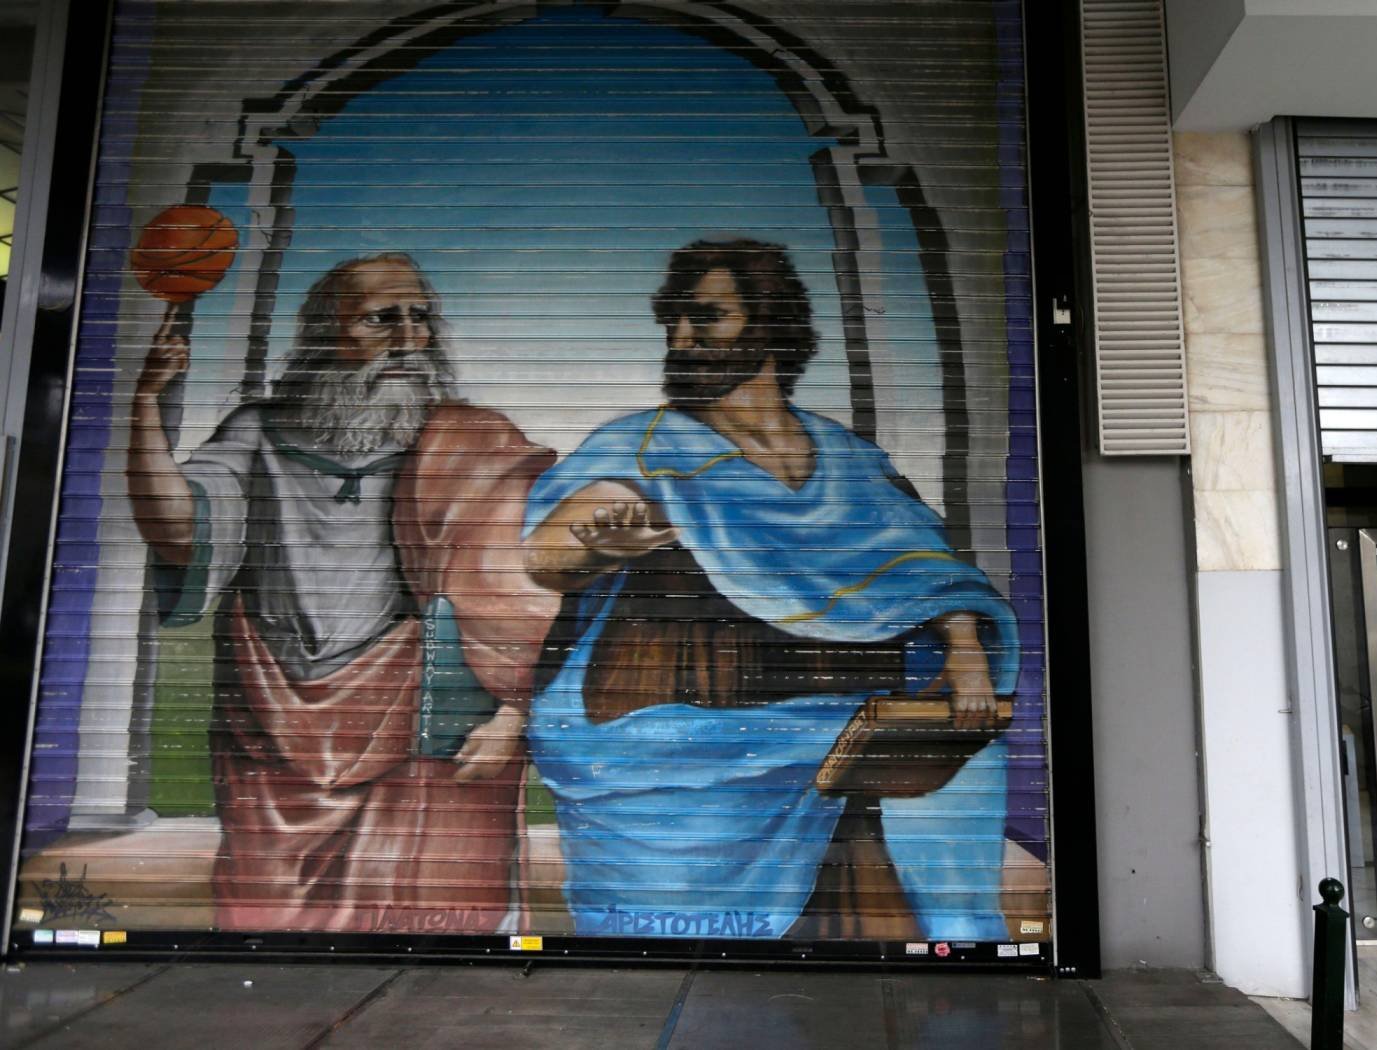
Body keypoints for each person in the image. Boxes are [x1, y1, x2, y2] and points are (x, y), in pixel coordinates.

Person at [521, 238, 1019, 941]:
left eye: (706, 317)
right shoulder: (644, 448)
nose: (682, 337)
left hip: (847, 745)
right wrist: (599, 543)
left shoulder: (848, 462)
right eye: (673, 320)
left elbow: (926, 566)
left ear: (771, 322)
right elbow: (552, 547)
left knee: (858, 933)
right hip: (693, 750)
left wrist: (964, 648)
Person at [127, 253, 559, 933]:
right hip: (273, 723)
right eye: (382, 318)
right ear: (325, 332)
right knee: (269, 916)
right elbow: (179, 528)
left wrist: (510, 714)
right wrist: (145, 407)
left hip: (416, 725)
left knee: (430, 908)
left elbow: (525, 593)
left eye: (420, 317)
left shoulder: (473, 443)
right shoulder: (258, 433)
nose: (410, 337)